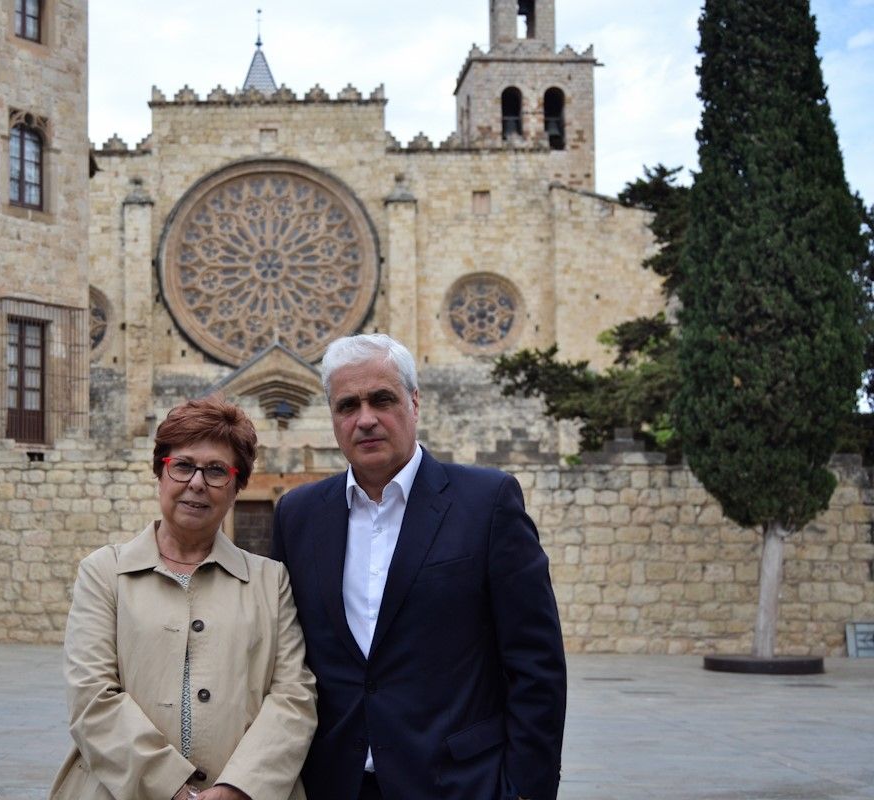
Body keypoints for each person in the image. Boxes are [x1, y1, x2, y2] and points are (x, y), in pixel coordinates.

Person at [271, 334, 566, 800]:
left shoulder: (486, 503)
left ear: (414, 402)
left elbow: (536, 663)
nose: (365, 419)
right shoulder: (298, 515)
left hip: (459, 784)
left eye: (382, 399)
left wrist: (526, 789)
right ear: (333, 418)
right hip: (333, 783)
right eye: (348, 406)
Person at [50, 395, 317, 800]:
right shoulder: (105, 573)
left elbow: (294, 696)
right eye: (183, 466)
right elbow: (92, 698)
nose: (196, 482)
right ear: (160, 472)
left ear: (236, 487)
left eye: (216, 471)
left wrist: (236, 788)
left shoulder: (271, 581)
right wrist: (170, 788)